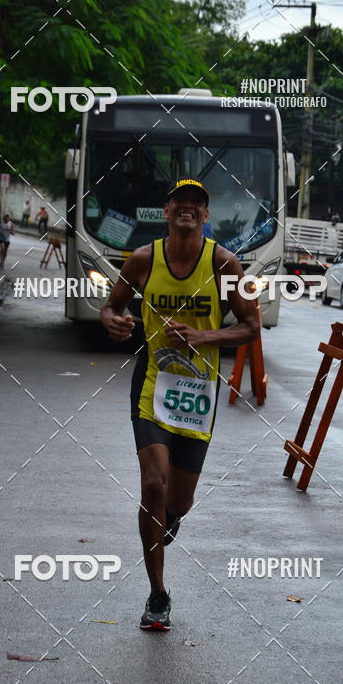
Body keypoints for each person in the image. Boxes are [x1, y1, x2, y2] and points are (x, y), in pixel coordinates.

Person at [100, 177, 259, 630]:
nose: (187, 208)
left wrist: (205, 336)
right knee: (153, 482)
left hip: (197, 395)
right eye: (179, 202)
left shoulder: (227, 265)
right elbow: (110, 307)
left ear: (206, 216)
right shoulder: (143, 259)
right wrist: (114, 321)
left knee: (179, 501)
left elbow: (251, 327)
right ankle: (157, 594)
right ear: (166, 210)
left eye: (197, 204)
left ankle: (169, 516)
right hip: (152, 385)